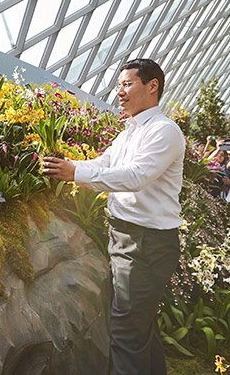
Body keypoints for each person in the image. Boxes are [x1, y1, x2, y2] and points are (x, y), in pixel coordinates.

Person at [42, 58, 183, 375]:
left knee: (125, 330)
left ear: (152, 86)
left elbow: (136, 177)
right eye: (118, 85)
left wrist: (74, 171)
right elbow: (105, 165)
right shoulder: (131, 131)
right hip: (131, 239)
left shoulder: (164, 131)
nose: (119, 92)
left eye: (127, 84)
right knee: (139, 327)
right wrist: (70, 167)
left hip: (146, 243)